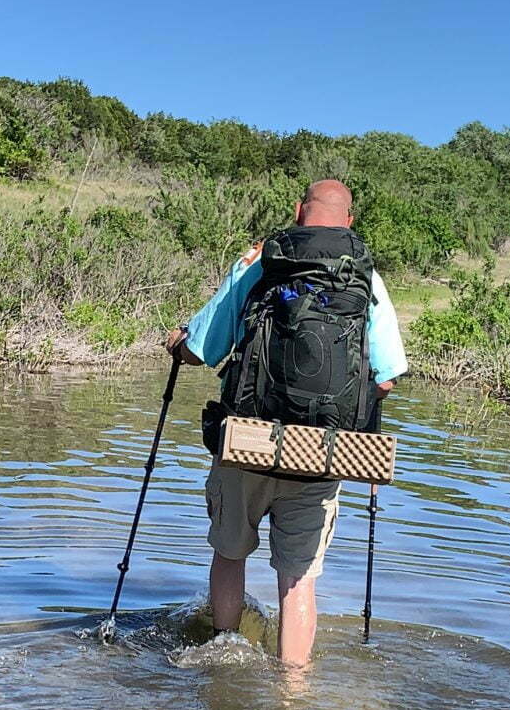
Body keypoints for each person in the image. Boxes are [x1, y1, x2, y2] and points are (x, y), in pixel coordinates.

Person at [165, 180, 408, 667]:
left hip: (247, 442)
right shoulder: (366, 278)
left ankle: (222, 657)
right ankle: (293, 689)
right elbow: (386, 378)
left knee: (230, 554)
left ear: (299, 211)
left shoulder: (260, 263)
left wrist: (177, 343)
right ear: (349, 221)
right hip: (322, 452)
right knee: (298, 581)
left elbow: (202, 348)